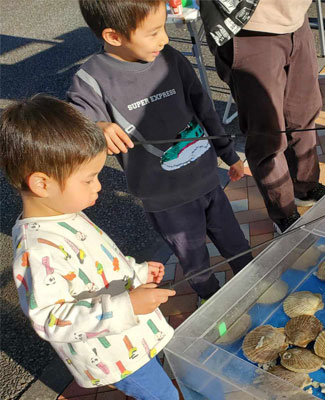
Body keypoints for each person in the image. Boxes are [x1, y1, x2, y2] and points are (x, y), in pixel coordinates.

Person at [0, 95, 212, 400]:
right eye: (89, 179)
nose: (99, 185)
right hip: (109, 351)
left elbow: (98, 262)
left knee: (156, 391)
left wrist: (137, 272)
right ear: (41, 183)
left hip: (126, 337)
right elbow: (50, 318)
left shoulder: (62, 213)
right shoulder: (38, 250)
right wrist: (125, 305)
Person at [68, 0, 253, 303]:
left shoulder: (170, 58)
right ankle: (210, 297)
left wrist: (228, 153)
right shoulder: (90, 79)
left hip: (207, 179)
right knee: (193, 257)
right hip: (165, 198)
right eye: (153, 32)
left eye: (163, 27)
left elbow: (204, 107)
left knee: (234, 239)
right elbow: (72, 127)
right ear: (114, 37)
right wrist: (97, 128)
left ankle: (250, 276)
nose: (164, 38)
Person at [199, 0, 325, 233]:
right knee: (268, 133)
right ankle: (284, 211)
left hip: (296, 21)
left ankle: (305, 186)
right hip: (248, 28)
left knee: (304, 114)